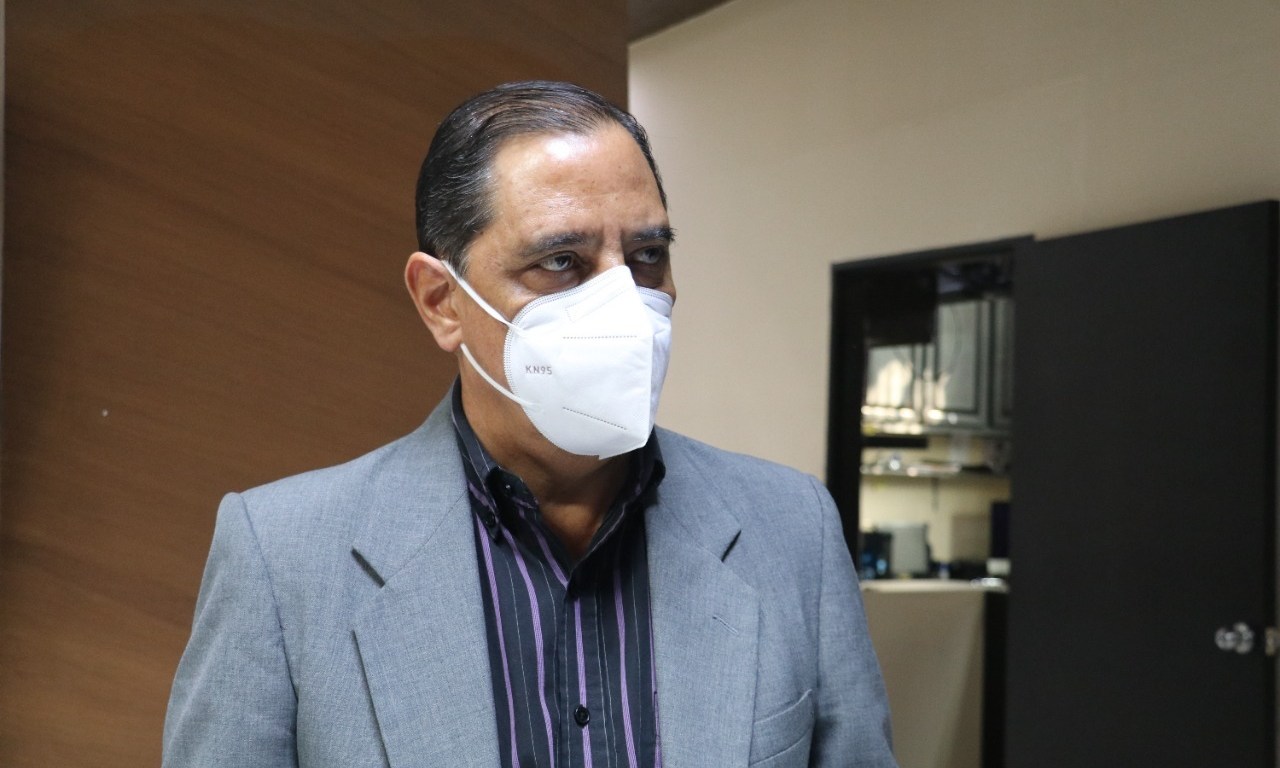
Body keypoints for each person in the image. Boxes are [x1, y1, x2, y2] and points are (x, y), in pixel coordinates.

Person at [163, 80, 896, 768]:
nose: (624, 305)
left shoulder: (791, 530)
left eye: (646, 256)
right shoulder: (283, 558)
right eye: (562, 261)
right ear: (441, 301)